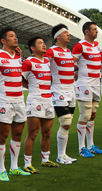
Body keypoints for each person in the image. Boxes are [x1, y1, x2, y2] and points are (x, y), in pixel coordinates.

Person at [0, 27, 31, 181]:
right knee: (2, 136)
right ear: (3, 41)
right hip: (4, 100)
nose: (15, 38)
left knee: (17, 135)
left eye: (16, 36)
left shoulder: (18, 57)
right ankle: (2, 170)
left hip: (19, 100)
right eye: (11, 36)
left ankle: (14, 168)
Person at [22, 36, 59, 174]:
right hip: (35, 100)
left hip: (48, 100)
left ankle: (45, 160)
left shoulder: (47, 62)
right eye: (40, 43)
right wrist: (32, 88)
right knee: (32, 133)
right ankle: (28, 163)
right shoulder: (28, 62)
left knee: (47, 133)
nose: (44, 45)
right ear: (32, 48)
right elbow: (21, 79)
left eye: (44, 43)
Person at [44, 24, 77, 164]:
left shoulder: (69, 52)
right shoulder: (51, 51)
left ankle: (63, 154)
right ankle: (60, 156)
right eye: (65, 33)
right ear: (57, 36)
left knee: (67, 124)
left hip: (71, 91)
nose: (68, 35)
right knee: (66, 124)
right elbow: (43, 65)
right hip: (59, 91)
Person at [72, 21, 102, 157]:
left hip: (96, 84)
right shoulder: (80, 45)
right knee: (85, 115)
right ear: (87, 31)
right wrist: (78, 70)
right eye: (94, 29)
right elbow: (72, 62)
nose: (96, 32)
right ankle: (82, 148)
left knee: (92, 115)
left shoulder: (97, 46)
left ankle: (91, 145)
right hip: (84, 84)